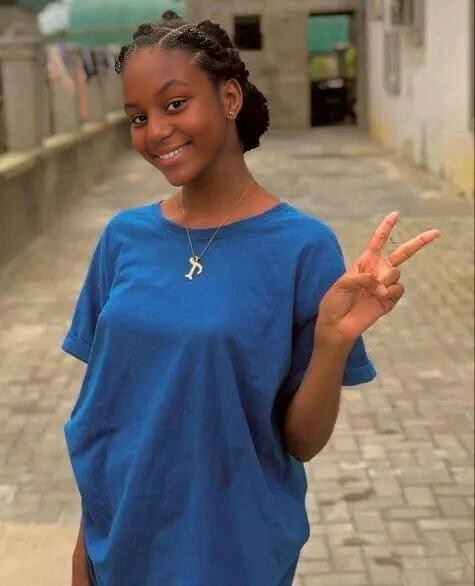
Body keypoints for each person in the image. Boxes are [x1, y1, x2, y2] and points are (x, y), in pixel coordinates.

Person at [63, 11, 441, 586]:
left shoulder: (302, 247)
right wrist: (85, 551)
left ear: (230, 98)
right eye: (138, 117)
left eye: (174, 104)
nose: (155, 131)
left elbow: (301, 441)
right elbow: (110, 421)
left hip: (233, 554)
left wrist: (333, 341)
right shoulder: (122, 238)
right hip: (117, 548)